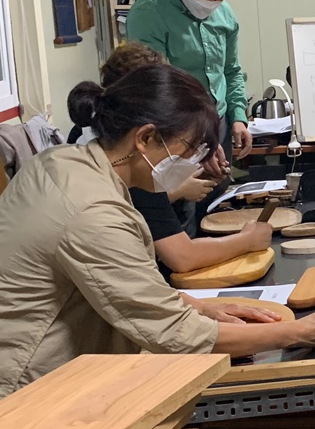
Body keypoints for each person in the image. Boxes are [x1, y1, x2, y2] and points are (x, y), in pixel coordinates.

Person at [0, 63, 315, 429]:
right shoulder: (91, 210)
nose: (193, 163)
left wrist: (199, 306)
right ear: (146, 138)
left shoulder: (62, 163)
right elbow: (176, 336)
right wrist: (296, 331)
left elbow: (110, 282)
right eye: (189, 150)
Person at [70, 43, 272, 280]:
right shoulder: (130, 169)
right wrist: (247, 240)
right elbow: (181, 256)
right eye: (187, 145)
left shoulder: (103, 148)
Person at [125, 0, 250, 169]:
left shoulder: (225, 14)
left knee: (218, 186)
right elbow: (156, 86)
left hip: (218, 121)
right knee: (185, 190)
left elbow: (231, 71)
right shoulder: (149, 12)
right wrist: (194, 141)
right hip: (174, 129)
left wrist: (239, 117)